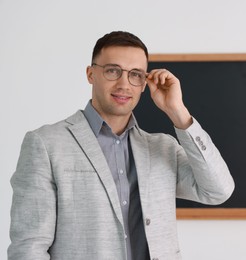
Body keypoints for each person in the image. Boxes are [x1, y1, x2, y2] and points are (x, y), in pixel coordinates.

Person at [8, 31, 234, 260]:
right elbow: (29, 248)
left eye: (135, 74)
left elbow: (218, 191)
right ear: (90, 74)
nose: (124, 84)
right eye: (113, 71)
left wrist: (178, 113)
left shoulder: (162, 147)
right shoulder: (46, 144)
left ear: (144, 83)